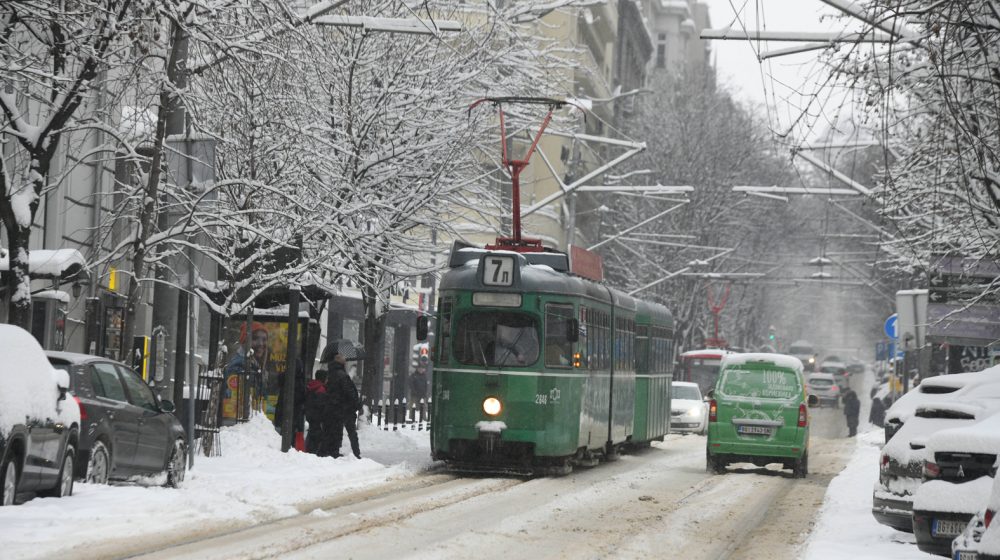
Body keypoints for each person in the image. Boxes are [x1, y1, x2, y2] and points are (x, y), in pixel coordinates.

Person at [321, 348, 362, 459]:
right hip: (345, 408)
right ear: (338, 359)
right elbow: (348, 391)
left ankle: (332, 451)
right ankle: (356, 454)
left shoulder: (331, 373)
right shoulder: (342, 375)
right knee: (351, 432)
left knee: (334, 430)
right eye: (342, 357)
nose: (345, 358)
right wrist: (356, 403)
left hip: (335, 407)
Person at [304, 370, 330, 455]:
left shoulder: (311, 385)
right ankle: (313, 452)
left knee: (312, 432)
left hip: (310, 414)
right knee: (317, 435)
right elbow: (321, 405)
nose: (327, 380)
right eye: (326, 378)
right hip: (317, 417)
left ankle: (308, 450)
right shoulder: (321, 389)